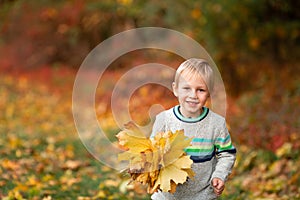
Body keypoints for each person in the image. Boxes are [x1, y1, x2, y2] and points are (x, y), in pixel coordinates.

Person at [150, 58, 236, 200]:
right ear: (175, 89)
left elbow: (226, 153)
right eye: (187, 88)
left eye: (200, 90)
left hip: (202, 195)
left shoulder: (216, 124)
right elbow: (152, 152)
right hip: (166, 196)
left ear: (209, 93)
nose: (193, 95)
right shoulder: (164, 120)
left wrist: (219, 175)